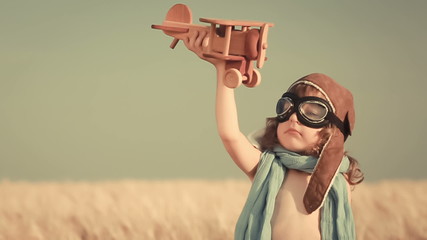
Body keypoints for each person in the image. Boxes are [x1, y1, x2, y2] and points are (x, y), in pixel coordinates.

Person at [183, 30, 364, 240]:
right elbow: (229, 134)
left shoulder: (341, 181)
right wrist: (223, 70)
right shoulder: (266, 167)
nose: (294, 118)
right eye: (286, 108)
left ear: (333, 133)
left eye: (312, 112)